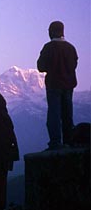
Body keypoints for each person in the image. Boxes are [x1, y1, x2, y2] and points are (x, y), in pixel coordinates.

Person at [37, 20, 78, 150]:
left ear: (52, 32)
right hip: (69, 85)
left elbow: (41, 66)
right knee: (67, 114)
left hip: (54, 85)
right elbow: (74, 65)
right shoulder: (71, 48)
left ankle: (55, 142)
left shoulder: (48, 48)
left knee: (54, 114)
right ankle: (69, 140)